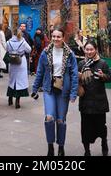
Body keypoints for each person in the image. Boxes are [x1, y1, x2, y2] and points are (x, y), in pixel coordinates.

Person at [32, 26, 78, 157]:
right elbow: (40, 72)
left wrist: (73, 93)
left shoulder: (70, 54)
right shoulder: (45, 52)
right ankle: (50, 145)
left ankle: (61, 147)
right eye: (53, 36)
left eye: (58, 36)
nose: (55, 39)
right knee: (49, 117)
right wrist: (35, 89)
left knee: (61, 120)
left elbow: (74, 74)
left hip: (64, 90)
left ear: (63, 38)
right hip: (49, 89)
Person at [78, 39, 111, 156]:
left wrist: (103, 76)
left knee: (101, 126)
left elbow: (110, 77)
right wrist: (78, 77)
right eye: (87, 49)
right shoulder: (81, 64)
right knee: (85, 128)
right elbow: (75, 80)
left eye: (91, 49)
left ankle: (104, 143)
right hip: (85, 101)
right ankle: (86, 150)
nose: (89, 51)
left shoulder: (102, 63)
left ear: (96, 50)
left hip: (99, 101)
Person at [6, 28, 31, 109]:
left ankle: (10, 99)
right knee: (20, 81)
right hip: (21, 62)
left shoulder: (9, 42)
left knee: (12, 80)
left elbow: (7, 49)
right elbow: (29, 50)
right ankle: (17, 101)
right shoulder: (23, 42)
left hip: (12, 62)